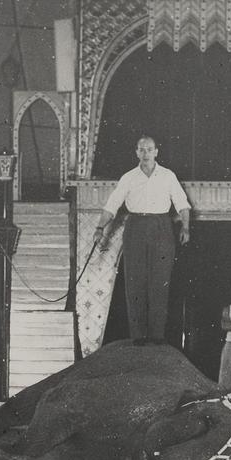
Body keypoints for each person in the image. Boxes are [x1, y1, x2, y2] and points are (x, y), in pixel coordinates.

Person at [93, 136, 191, 345]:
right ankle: (138, 335)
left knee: (160, 281)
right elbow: (112, 205)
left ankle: (157, 335)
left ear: (156, 152)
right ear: (136, 152)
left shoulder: (168, 176)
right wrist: (100, 228)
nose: (146, 153)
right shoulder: (128, 177)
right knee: (134, 281)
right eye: (142, 149)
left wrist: (185, 227)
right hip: (135, 226)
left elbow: (182, 204)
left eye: (149, 149)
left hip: (161, 226)